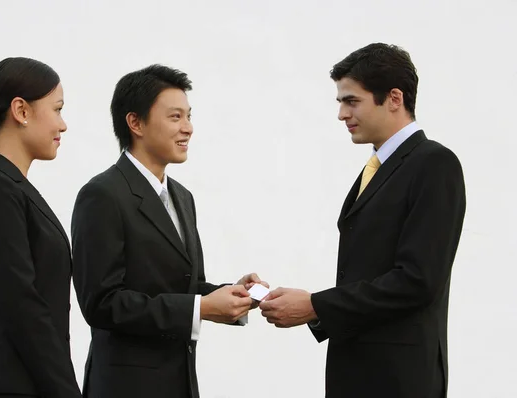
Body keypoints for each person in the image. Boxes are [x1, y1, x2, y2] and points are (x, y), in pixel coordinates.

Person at [259, 43, 466, 398]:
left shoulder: (434, 164)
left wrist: (315, 305)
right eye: (341, 102)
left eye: (351, 101)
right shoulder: (378, 168)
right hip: (356, 372)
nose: (342, 113)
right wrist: (314, 309)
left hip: (399, 380)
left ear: (394, 98)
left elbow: (418, 281)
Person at [71, 64, 267, 398]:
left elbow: (185, 285)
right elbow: (101, 303)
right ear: (135, 123)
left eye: (189, 116)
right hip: (125, 388)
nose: (188, 128)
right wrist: (200, 308)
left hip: (180, 383)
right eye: (175, 117)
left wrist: (233, 294)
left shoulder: (181, 196)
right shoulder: (102, 195)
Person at [0, 57, 82, 398]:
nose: (63, 124)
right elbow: (22, 307)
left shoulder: (8, 187)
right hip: (3, 386)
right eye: (57, 109)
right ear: (21, 111)